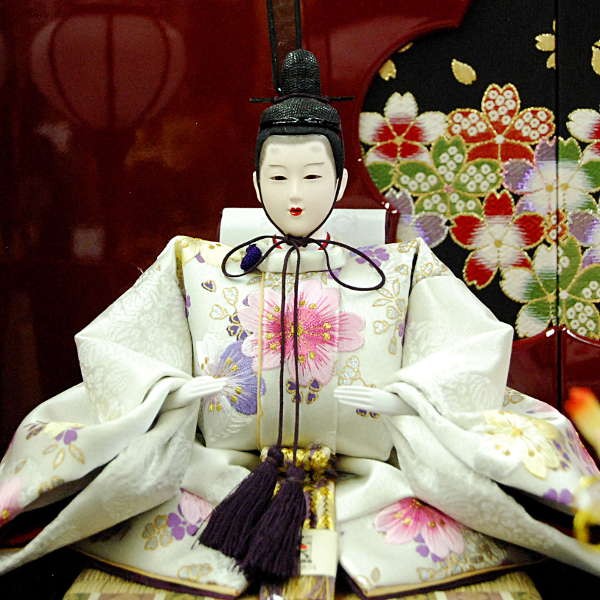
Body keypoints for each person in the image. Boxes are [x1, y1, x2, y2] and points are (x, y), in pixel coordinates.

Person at [0, 49, 599, 599]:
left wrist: (409, 396)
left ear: (339, 183)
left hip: (369, 479)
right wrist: (168, 390)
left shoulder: (399, 267)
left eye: (312, 176)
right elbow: (118, 346)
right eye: (278, 177)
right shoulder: (196, 263)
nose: (295, 193)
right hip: (222, 477)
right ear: (255, 182)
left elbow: (470, 348)